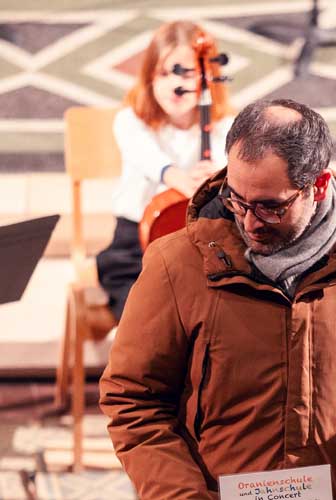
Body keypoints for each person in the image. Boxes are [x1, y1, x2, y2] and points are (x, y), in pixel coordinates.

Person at [99, 99, 336, 499]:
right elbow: (133, 399)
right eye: (236, 199)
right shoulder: (175, 264)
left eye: (270, 207)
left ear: (319, 185)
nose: (249, 221)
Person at [95, 20, 233, 323]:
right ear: (148, 78)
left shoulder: (223, 128)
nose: (175, 83)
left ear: (207, 77)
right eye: (164, 72)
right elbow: (153, 162)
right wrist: (191, 183)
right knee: (147, 317)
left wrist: (221, 176)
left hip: (197, 248)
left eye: (187, 72)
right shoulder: (131, 122)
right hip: (135, 247)